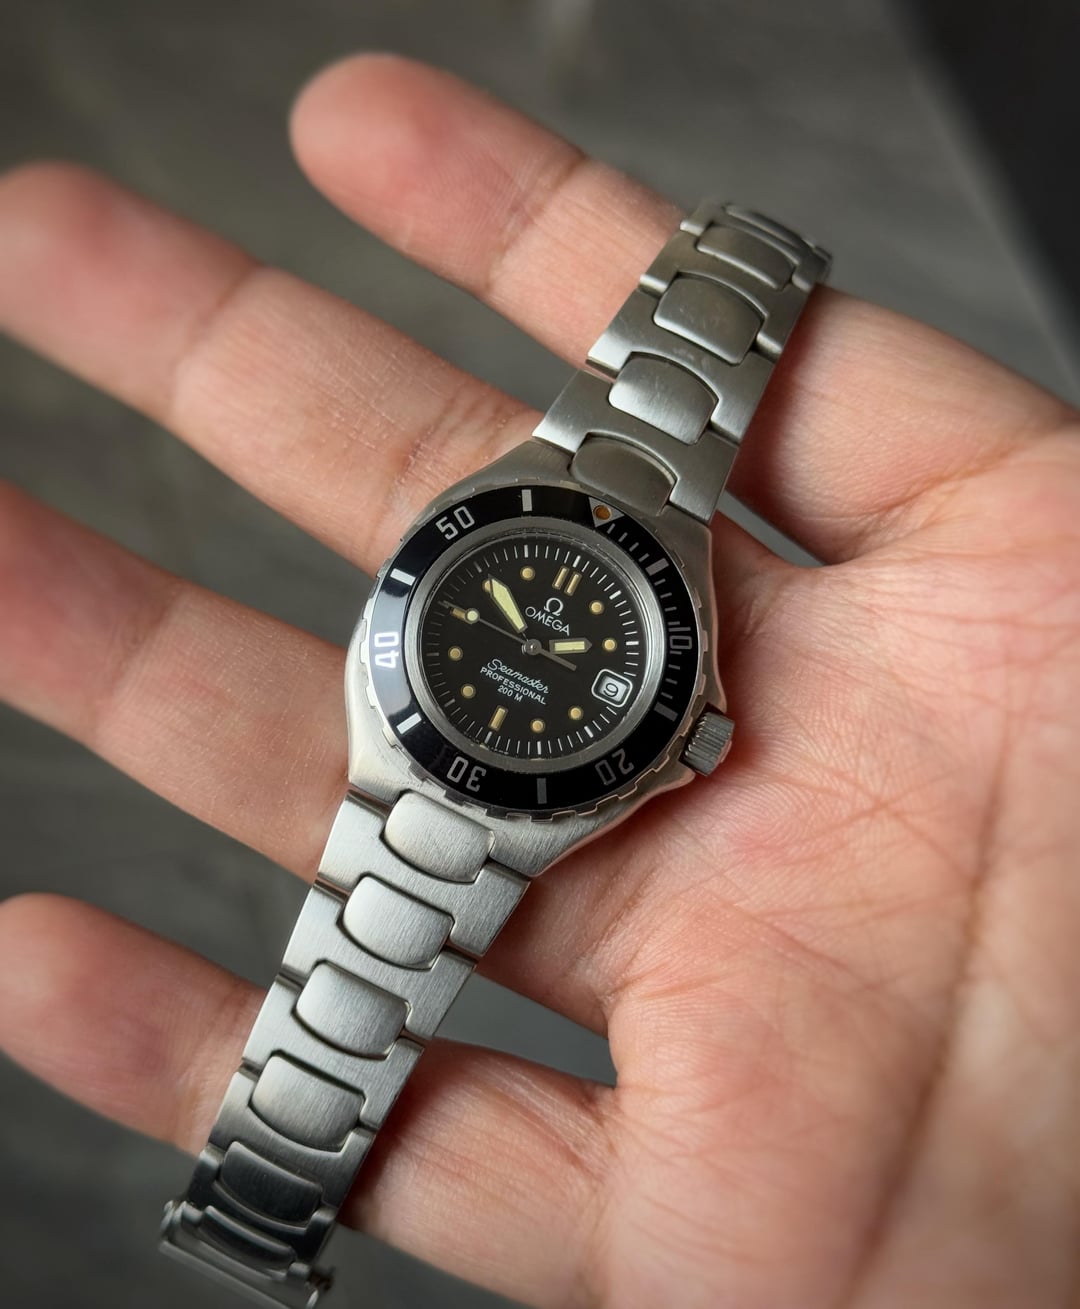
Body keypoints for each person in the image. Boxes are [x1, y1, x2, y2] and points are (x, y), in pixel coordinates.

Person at [1, 53, 1078, 1309]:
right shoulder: (501, 589)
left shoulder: (644, 686)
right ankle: (259, 1201)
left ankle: (260, 1208)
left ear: (685, 734)